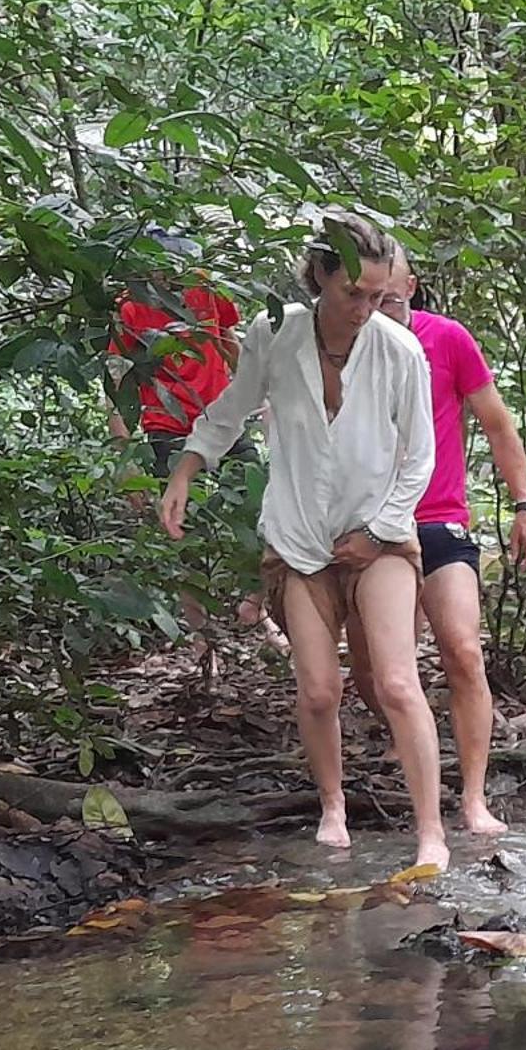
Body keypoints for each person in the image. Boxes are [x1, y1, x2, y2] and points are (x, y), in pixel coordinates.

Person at [158, 214, 449, 867]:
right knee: (318, 689)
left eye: (379, 297)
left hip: (380, 533)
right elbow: (231, 409)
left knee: (398, 683)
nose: (366, 309)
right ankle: (332, 807)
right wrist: (185, 470)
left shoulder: (399, 350)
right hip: (296, 538)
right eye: (353, 294)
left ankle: (431, 831)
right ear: (319, 274)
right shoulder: (274, 333)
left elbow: (420, 459)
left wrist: (377, 533)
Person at [372, 248, 526, 837]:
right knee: (383, 672)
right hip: (371, 530)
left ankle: (472, 798)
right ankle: (410, 767)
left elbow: (497, 424)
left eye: (388, 298)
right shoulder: (342, 345)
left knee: (463, 651)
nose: (379, 309)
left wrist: (524, 508)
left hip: (440, 519)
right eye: (367, 299)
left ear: (410, 288)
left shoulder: (446, 340)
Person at [107, 231, 242, 480]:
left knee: (252, 490)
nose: (172, 277)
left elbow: (228, 341)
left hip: (221, 414)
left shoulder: (207, 288)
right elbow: (115, 385)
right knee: (179, 508)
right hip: (168, 426)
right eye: (164, 268)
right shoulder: (131, 308)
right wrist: (124, 461)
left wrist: (257, 395)